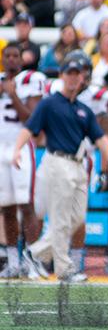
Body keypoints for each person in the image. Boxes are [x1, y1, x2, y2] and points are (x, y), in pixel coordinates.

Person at [11, 57, 108, 283]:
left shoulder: (83, 110)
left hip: (79, 165)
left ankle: (34, 253)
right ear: (62, 76)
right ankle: (64, 269)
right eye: (68, 73)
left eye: (76, 73)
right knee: (60, 218)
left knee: (77, 218)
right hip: (58, 162)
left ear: (82, 77)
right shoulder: (50, 103)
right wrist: (17, 150)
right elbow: (30, 127)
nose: (72, 77)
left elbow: (100, 138)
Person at [40, 50, 108, 277]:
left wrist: (107, 163)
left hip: (84, 159)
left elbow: (102, 132)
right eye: (73, 71)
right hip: (59, 157)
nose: (77, 77)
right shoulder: (56, 94)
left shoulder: (97, 97)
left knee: (77, 217)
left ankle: (61, 258)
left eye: (81, 72)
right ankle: (52, 259)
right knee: (57, 214)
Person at [0, 43, 46, 279]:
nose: (11, 60)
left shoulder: (31, 79)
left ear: (21, 59)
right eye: (7, 56)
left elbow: (32, 119)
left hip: (22, 148)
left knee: (26, 205)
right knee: (6, 207)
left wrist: (12, 93)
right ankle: (13, 261)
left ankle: (33, 259)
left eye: (15, 55)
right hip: (0, 149)